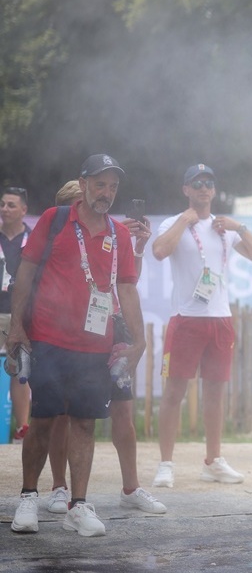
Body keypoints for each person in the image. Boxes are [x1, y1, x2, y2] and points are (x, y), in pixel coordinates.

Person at [7, 154, 147, 537]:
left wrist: (140, 339)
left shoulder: (118, 234)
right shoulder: (54, 220)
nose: (106, 193)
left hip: (95, 344)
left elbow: (128, 287)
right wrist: (17, 327)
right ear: (83, 184)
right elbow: (26, 272)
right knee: (43, 420)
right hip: (49, 337)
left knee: (85, 423)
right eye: (100, 184)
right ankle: (29, 497)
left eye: (113, 186)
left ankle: (79, 505)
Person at [42, 183, 165, 515]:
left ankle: (131, 487)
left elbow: (127, 282)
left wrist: (137, 247)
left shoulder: (113, 235)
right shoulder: (58, 233)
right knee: (64, 412)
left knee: (123, 408)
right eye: (76, 205)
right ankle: (58, 488)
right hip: (69, 332)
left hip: (111, 328)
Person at [151, 163, 252, 488]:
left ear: (214, 190)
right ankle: (166, 463)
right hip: (186, 319)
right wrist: (186, 220)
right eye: (196, 183)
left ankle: (213, 460)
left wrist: (240, 228)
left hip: (220, 319)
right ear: (186, 189)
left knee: (215, 392)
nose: (203, 188)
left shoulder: (225, 228)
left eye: (209, 183)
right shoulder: (176, 223)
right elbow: (159, 251)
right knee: (174, 392)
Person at [1, 186, 33, 443]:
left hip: (20, 314)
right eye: (2, 204)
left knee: (19, 372)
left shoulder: (32, 239)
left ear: (24, 210)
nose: (5, 209)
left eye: (11, 205)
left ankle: (22, 429)